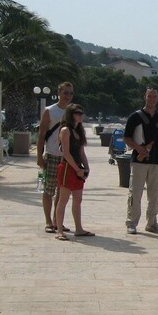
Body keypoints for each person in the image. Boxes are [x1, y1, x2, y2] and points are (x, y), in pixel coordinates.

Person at [123, 88, 158, 234]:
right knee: (135, 193)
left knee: (154, 194)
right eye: (149, 96)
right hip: (139, 162)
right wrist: (139, 148)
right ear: (145, 97)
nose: (152, 99)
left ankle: (152, 223)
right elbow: (126, 138)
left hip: (156, 160)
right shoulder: (135, 117)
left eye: (154, 96)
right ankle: (131, 223)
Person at [36, 81, 74, 233]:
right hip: (52, 155)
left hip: (66, 157)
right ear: (59, 93)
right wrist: (39, 156)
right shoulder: (49, 111)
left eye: (70, 93)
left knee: (62, 191)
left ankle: (57, 221)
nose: (68, 96)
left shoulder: (72, 111)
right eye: (65, 93)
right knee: (49, 190)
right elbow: (41, 135)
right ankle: (48, 221)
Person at [54, 104, 94, 240]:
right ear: (71, 114)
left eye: (81, 113)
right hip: (67, 167)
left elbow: (81, 152)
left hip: (78, 168)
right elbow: (66, 153)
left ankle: (79, 228)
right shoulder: (66, 130)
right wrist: (77, 169)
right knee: (63, 199)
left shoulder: (80, 130)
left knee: (78, 199)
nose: (80, 115)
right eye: (77, 113)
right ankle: (59, 230)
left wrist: (86, 167)